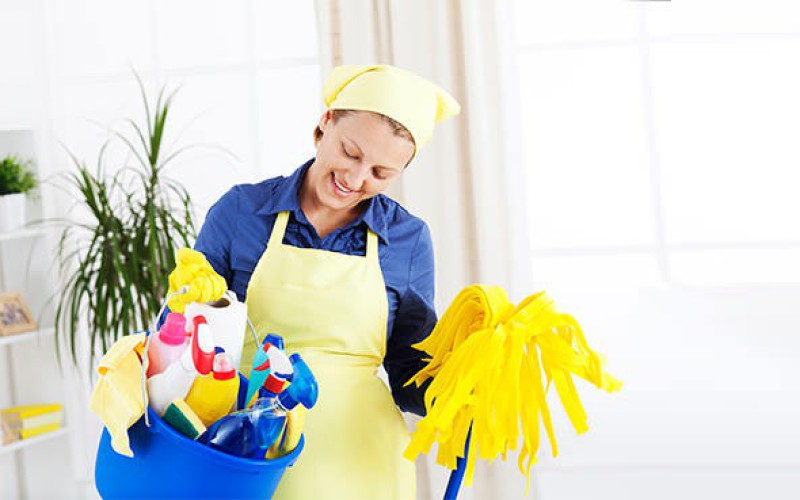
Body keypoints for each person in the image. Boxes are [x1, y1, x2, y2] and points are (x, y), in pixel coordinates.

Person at [193, 64, 460, 499]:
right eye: (350, 153)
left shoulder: (407, 240)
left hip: (361, 461)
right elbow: (192, 339)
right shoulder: (241, 212)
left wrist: (458, 395)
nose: (355, 179)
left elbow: (408, 369)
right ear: (324, 124)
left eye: (380, 173)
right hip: (248, 453)